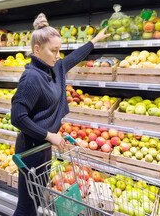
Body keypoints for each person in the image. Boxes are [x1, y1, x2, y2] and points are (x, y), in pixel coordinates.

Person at [11, 13, 110, 216]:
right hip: (31, 149)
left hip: (44, 147)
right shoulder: (31, 77)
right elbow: (18, 117)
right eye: (54, 50)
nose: (58, 55)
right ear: (37, 50)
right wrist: (50, 136)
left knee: (37, 199)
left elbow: (73, 57)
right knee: (26, 205)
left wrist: (95, 40)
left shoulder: (54, 67)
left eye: (59, 50)